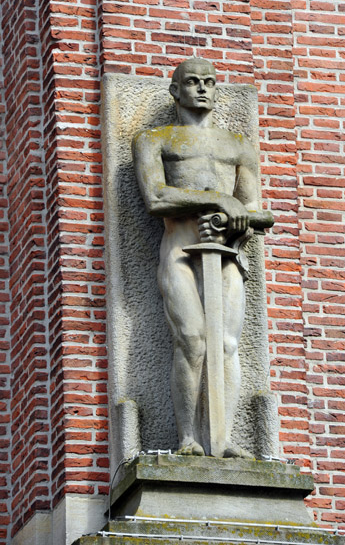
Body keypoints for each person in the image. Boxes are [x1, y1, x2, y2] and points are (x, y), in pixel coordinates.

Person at [133, 58, 262, 458]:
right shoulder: (155, 139)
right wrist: (217, 200)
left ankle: (222, 440)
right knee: (191, 339)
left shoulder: (238, 144)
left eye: (209, 82)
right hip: (180, 249)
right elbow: (156, 197)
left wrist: (229, 218)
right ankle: (188, 436)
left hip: (224, 252)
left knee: (224, 344)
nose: (202, 88)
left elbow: (257, 209)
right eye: (192, 82)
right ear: (175, 90)